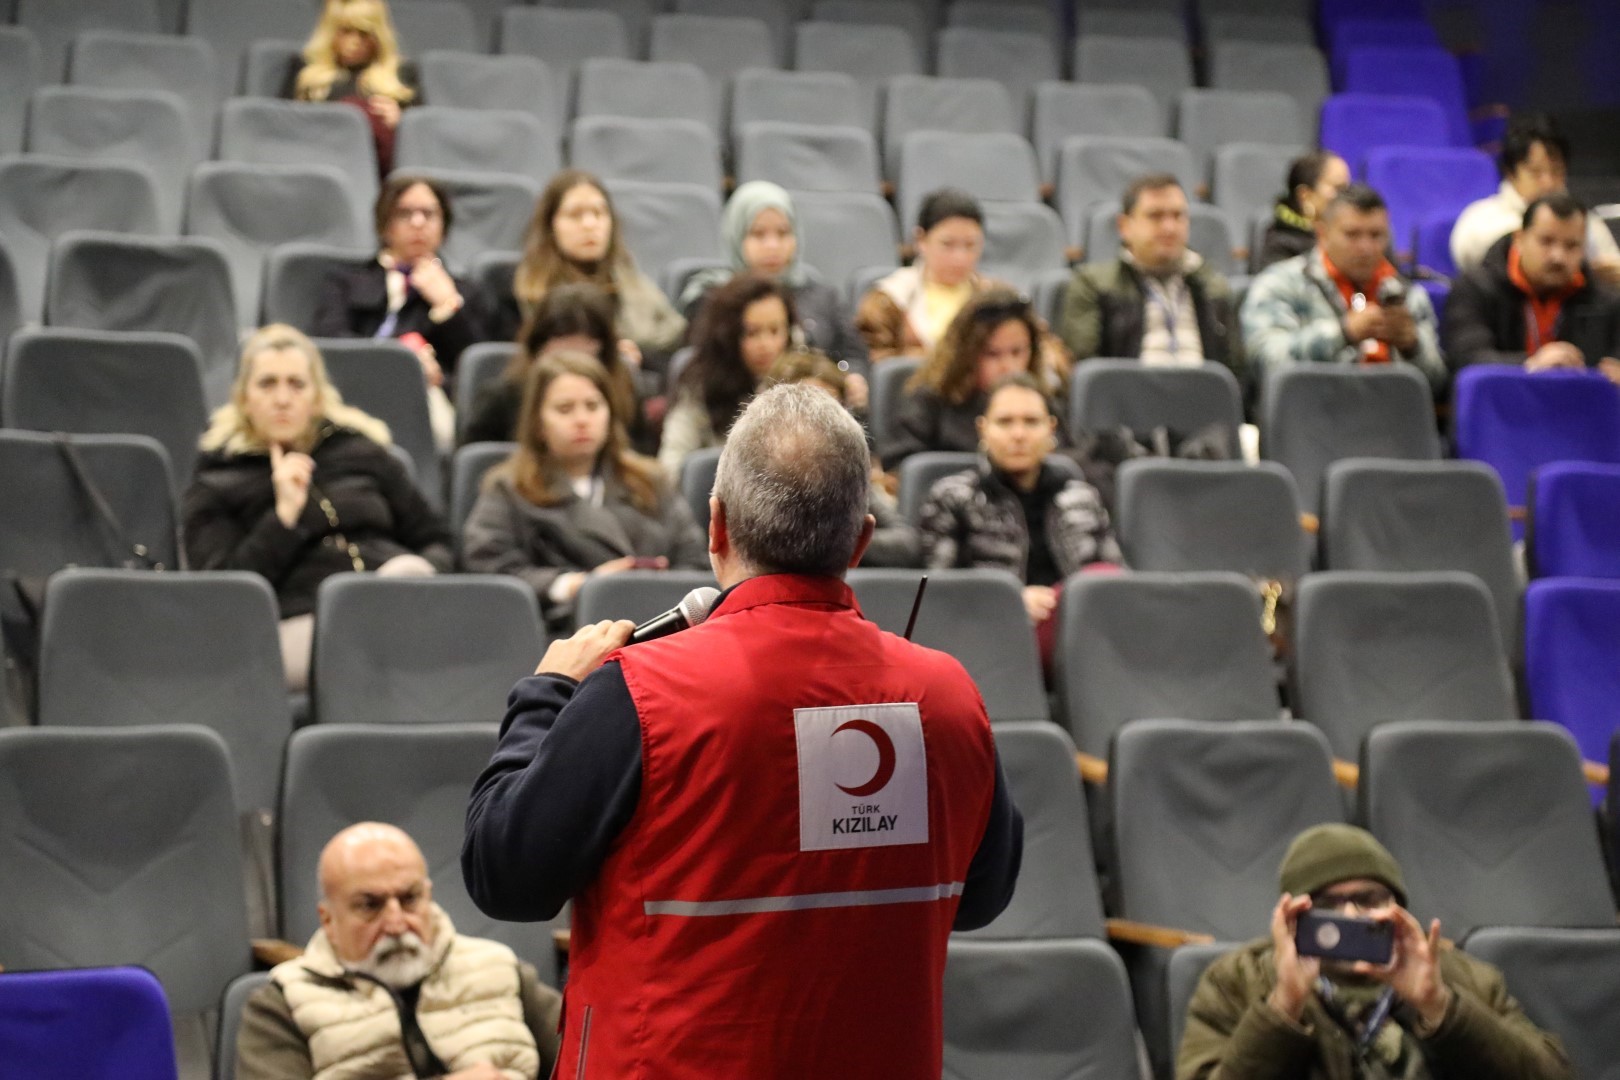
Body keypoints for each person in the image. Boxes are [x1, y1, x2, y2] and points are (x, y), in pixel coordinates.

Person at [463, 382, 1022, 1079]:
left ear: (716, 527)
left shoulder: (638, 690)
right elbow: (982, 898)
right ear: (862, 540)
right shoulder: (946, 697)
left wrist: (544, 697)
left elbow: (504, 877)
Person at [1177, 823, 1573, 1080]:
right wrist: (1283, 1007)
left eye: (1369, 899)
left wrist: (1440, 1008)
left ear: (1397, 906)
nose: (1349, 915)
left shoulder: (1459, 977)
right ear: (1293, 912)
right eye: (1327, 904)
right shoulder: (1238, 981)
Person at [183, 325, 452, 690]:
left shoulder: (362, 451)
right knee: (381, 626)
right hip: (299, 624)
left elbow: (435, 538)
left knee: (408, 580)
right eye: (267, 384)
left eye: (296, 384)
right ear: (244, 398)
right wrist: (282, 520)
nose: (282, 398)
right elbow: (225, 594)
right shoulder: (217, 480)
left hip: (396, 593)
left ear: (317, 396)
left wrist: (426, 575)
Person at [236, 822, 560, 1080]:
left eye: (409, 899)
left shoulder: (498, 968)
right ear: (328, 919)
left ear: (428, 896)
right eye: (369, 905)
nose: (395, 923)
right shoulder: (283, 1003)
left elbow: (591, 1059)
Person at [461, 350, 708, 632]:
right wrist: (578, 585)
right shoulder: (509, 488)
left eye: (592, 406)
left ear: (609, 413)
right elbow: (488, 567)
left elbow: (694, 562)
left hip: (658, 630)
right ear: (538, 422)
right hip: (560, 634)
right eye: (565, 409)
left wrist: (647, 585)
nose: (582, 420)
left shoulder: (651, 480)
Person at [918, 373, 1120, 627]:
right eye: (1004, 422)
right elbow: (938, 590)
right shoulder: (952, 497)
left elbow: (1117, 583)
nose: (1019, 434)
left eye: (1032, 422)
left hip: (1080, 629)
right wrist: (1010, 601)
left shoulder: (1083, 497)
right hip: (993, 631)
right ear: (983, 429)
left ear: (1051, 429)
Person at [313, 175, 487, 450]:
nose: (418, 223)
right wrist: (398, 361)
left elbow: (476, 365)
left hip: (427, 397)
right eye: (405, 213)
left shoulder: (465, 292)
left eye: (429, 214)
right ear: (385, 224)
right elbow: (330, 340)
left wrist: (447, 306)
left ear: (443, 225)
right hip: (352, 387)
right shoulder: (345, 281)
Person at [1241, 185, 1447, 392]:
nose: (1366, 248)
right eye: (1352, 235)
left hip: (1389, 415)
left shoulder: (1406, 295)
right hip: (1311, 414)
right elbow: (1266, 363)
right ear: (1323, 234)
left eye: (1376, 235)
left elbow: (1437, 383)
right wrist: (1343, 333)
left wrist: (1412, 346)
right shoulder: (1281, 283)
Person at [678, 180, 870, 378]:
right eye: (758, 234)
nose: (773, 246)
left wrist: (851, 378)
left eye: (783, 233)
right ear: (735, 236)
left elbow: (854, 356)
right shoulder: (714, 297)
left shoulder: (823, 295)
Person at [1060, 173, 1244, 380]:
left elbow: (1235, 373)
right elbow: (1088, 375)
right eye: (1155, 216)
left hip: (1204, 404)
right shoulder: (1093, 284)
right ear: (1124, 226)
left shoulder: (1213, 285)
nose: (1169, 228)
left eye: (1177, 216)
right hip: (1129, 405)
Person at [492, 170, 685, 358]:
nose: (590, 224)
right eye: (575, 215)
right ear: (550, 225)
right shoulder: (517, 288)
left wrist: (638, 356)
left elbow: (674, 340)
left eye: (599, 213)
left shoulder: (633, 283)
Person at [1443, 193, 1620, 384]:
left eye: (1571, 246)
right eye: (1546, 241)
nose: (1558, 257)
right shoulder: (1475, 288)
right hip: (1502, 407)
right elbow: (1467, 359)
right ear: (1519, 239)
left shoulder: (1606, 300)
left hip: (1579, 409)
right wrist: (1530, 363)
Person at [766, 350, 920, 568]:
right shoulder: (755, 474)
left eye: (832, 410)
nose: (821, 423)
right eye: (809, 410)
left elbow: (906, 544)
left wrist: (835, 542)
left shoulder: (846, 476)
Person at [881, 289, 1063, 471]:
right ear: (966, 355)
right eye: (992, 354)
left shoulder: (1038, 400)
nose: (1008, 366)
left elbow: (1071, 461)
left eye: (1017, 352)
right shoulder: (930, 399)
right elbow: (902, 470)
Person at [459, 282, 649, 451]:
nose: (573, 366)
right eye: (562, 353)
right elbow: (473, 472)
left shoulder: (626, 393)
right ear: (538, 349)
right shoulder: (501, 400)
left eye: (585, 355)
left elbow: (641, 457)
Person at [1450, 112, 1620, 282]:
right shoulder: (1479, 221)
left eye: (1556, 171)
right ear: (1511, 173)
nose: (1548, 182)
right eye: (1536, 172)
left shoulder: (1588, 223)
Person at [658, 273, 794, 475]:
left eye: (775, 331)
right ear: (728, 335)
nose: (766, 345)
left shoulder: (807, 374)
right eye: (752, 333)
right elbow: (673, 460)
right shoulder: (700, 382)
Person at [857, 188, 998, 361]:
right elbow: (876, 363)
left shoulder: (997, 299)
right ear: (921, 240)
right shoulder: (887, 300)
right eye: (947, 244)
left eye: (970, 245)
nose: (960, 258)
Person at [283, 0, 418, 176]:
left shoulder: (400, 77)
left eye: (363, 33)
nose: (354, 42)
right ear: (330, 32)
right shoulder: (305, 75)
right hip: (316, 166)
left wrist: (401, 123)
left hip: (377, 172)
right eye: (345, 31)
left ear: (378, 36)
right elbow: (282, 129)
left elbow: (422, 140)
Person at [1256, 150, 1353, 271]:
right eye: (1338, 188)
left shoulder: (1359, 237)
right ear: (1305, 195)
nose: (1347, 197)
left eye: (1348, 189)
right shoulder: (1280, 245)